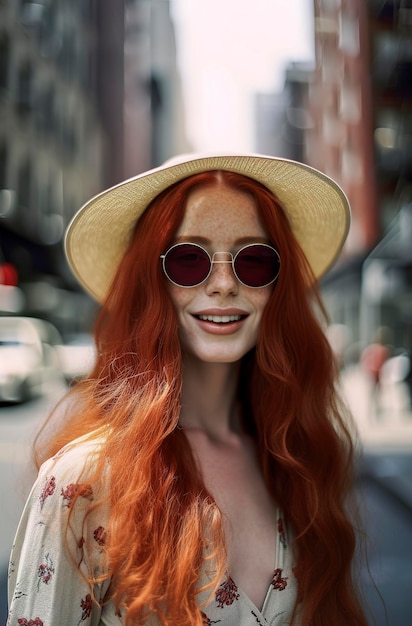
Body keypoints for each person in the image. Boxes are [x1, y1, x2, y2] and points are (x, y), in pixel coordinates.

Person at [7, 154, 369, 626]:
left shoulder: (297, 460)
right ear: (152, 281)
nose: (223, 284)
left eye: (254, 260)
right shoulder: (82, 482)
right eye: (188, 259)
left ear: (277, 286)